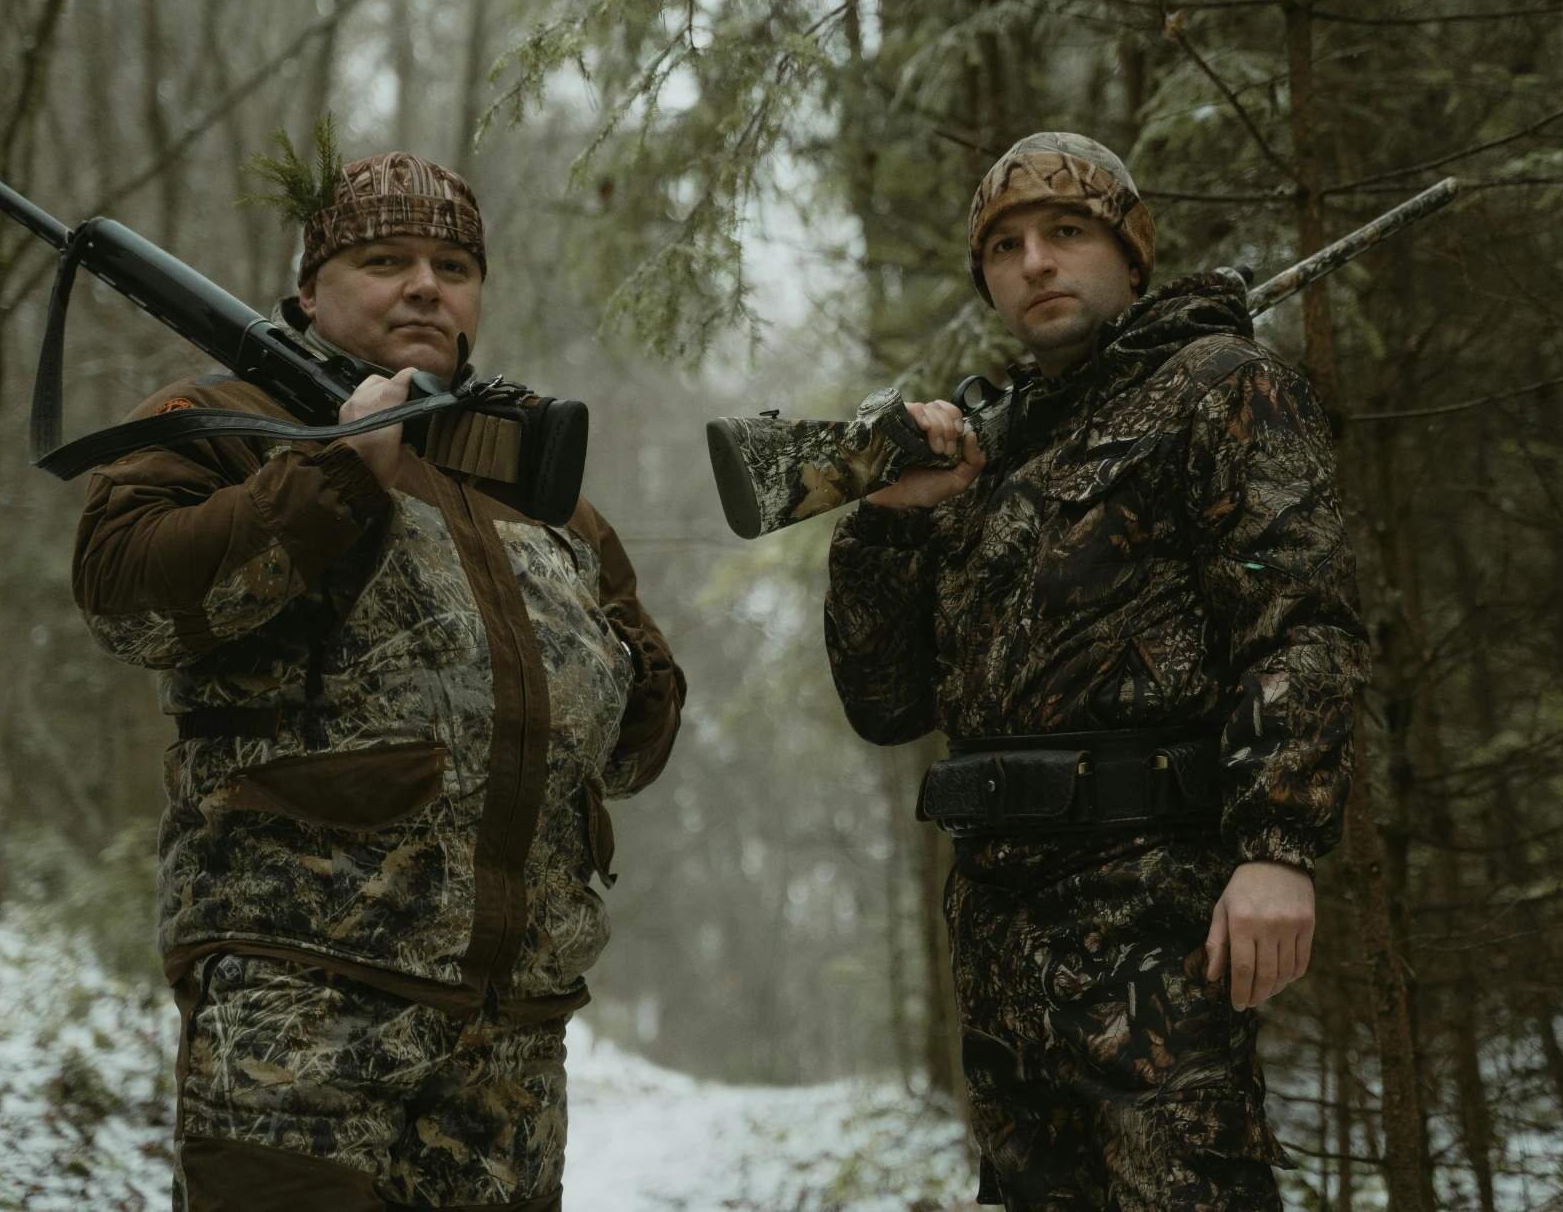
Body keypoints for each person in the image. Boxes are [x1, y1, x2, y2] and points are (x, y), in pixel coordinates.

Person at [71, 147, 685, 1212]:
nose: (424, 284)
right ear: (310, 290)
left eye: (453, 263)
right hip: (298, 1019)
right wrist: (334, 470)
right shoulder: (229, 421)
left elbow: (637, 735)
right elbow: (123, 594)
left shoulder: (538, 486)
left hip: (512, 1043)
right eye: (383, 257)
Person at [822, 133, 1369, 1210]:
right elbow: (885, 704)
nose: (1035, 261)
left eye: (1066, 232)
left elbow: (1301, 619)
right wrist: (884, 523)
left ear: (1128, 254)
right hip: (1000, 943)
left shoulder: (1220, 386)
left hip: (1157, 926)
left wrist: (1277, 847)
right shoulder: (984, 451)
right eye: (1007, 245)